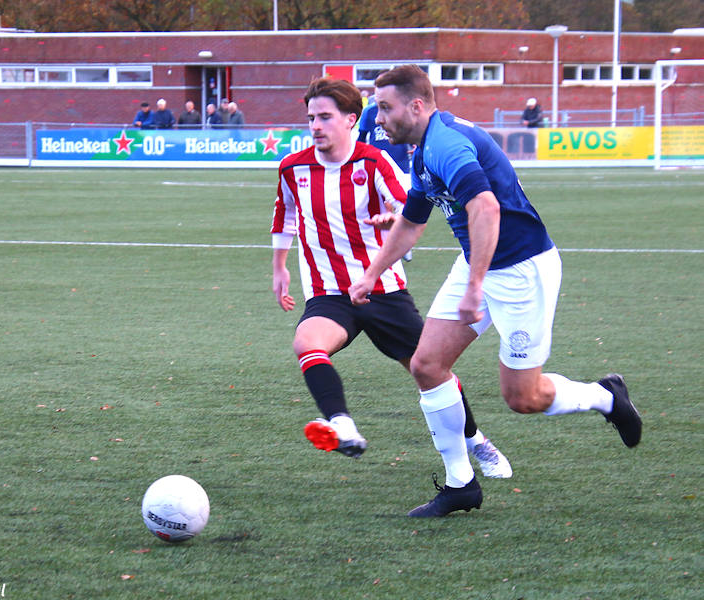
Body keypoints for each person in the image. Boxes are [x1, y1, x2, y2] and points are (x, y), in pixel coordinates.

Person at [349, 65, 641, 518]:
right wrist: (371, 274)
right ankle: (460, 485)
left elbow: (485, 208)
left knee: (523, 398)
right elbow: (411, 221)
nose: (379, 117)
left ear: (417, 106)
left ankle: (606, 397)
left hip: (521, 270)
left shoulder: (445, 145)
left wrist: (475, 286)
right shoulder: (423, 150)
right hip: (479, 262)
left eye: (386, 108)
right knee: (426, 365)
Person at [271, 76, 512, 480]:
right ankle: (342, 425)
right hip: (329, 292)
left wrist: (393, 217)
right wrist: (279, 267)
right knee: (307, 344)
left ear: (350, 119)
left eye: (325, 117)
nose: (315, 126)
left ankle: (476, 441)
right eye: (311, 118)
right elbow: (286, 215)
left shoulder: (373, 162)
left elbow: (409, 206)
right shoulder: (293, 167)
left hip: (384, 291)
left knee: (429, 370)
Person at [358, 89, 413, 262]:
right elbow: (362, 136)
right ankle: (387, 244)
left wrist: (415, 145)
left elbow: (411, 131)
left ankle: (404, 244)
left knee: (404, 204)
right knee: (383, 205)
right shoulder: (369, 112)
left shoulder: (400, 109)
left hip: (400, 162)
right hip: (377, 165)